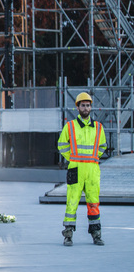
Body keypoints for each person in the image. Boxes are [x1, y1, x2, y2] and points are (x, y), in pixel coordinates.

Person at [57, 92, 106, 246]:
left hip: (92, 170)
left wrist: (93, 157)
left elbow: (102, 146)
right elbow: (61, 145)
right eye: (83, 105)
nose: (86, 108)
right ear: (77, 107)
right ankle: (68, 234)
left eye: (88, 105)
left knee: (93, 203)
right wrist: (72, 158)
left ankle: (96, 234)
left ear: (91, 107)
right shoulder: (70, 126)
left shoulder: (98, 127)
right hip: (76, 168)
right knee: (72, 202)